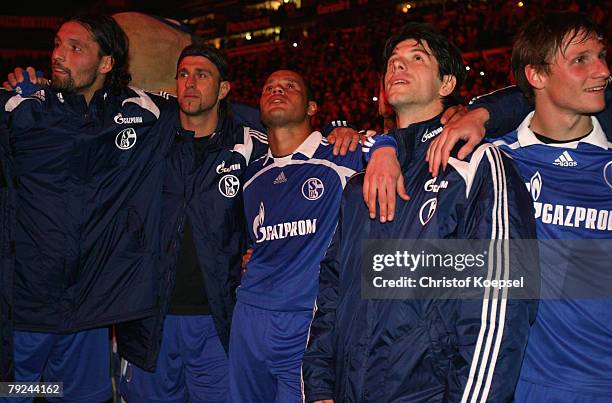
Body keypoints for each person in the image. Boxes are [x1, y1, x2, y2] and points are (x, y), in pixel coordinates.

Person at [302, 22, 537, 402]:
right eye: (393, 61)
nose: (398, 66)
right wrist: (319, 388)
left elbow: (501, 306)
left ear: (446, 84)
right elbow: (330, 294)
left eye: (416, 58)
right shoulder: (359, 185)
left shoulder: (476, 164)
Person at [427, 12, 612, 402]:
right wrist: (386, 150)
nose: (603, 70)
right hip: (523, 385)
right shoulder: (492, 162)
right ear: (537, 76)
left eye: (601, 56)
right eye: (581, 59)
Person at [0, 14, 178, 400]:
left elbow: (210, 116)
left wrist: (329, 132)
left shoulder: (141, 113)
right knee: (16, 393)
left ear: (106, 63)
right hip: (26, 310)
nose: (59, 55)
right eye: (57, 44)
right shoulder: (22, 109)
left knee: (80, 396)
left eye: (75, 48)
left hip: (91, 314)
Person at [119, 43, 268, 403]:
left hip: (215, 322)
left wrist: (349, 134)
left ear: (223, 89)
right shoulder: (149, 141)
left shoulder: (249, 147)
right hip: (148, 319)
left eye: (202, 75)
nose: (190, 82)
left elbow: (301, 149)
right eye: (183, 74)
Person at [228, 69, 365, 402]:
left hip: (306, 320)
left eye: (290, 87)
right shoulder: (251, 177)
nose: (278, 90)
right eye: (269, 87)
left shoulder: (342, 155)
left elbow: (410, 141)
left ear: (312, 107)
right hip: (248, 317)